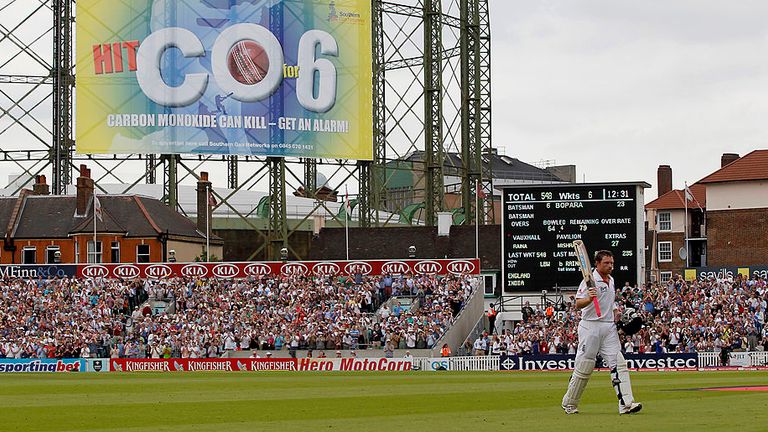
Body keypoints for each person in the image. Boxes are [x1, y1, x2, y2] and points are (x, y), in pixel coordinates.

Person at [562, 250, 642, 415]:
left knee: (619, 363)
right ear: (597, 264)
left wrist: (618, 316)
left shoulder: (611, 280)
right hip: (590, 326)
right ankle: (569, 403)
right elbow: (578, 304)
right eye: (606, 263)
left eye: (611, 263)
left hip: (608, 326)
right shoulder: (589, 281)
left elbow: (610, 303)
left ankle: (627, 404)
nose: (610, 266)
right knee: (585, 366)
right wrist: (589, 299)